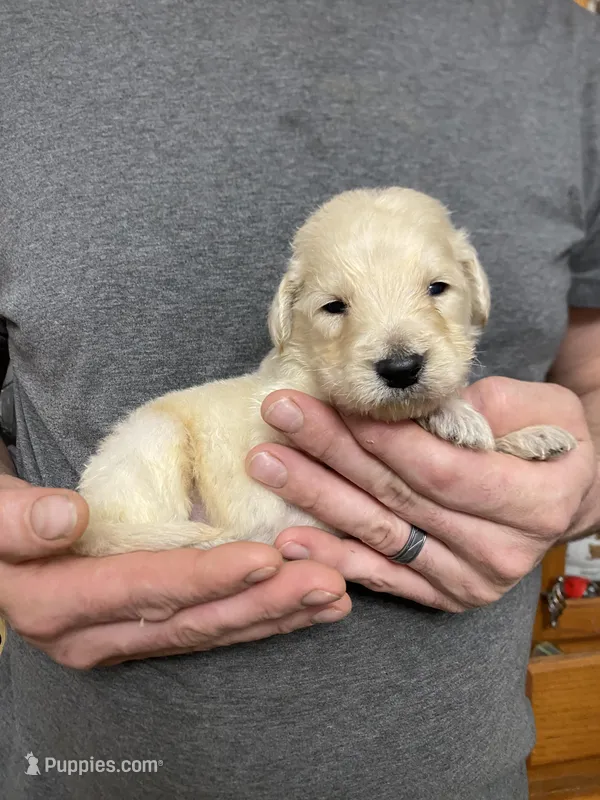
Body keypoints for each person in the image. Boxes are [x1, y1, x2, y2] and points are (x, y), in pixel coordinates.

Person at [0, 2, 599, 798]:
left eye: (436, 289)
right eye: (335, 308)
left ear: (472, 284)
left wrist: (581, 480)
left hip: (459, 772)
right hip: (95, 773)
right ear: (288, 315)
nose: (393, 350)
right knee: (155, 440)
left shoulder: (567, 45)